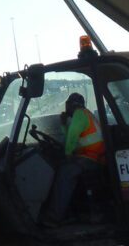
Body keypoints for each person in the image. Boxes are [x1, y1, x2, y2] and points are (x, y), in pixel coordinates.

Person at [43, 92, 105, 225]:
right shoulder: (85, 114)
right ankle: (70, 210)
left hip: (91, 157)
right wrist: (64, 124)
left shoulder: (79, 114)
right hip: (91, 156)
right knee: (66, 167)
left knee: (65, 173)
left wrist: (67, 155)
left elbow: (71, 138)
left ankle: (54, 217)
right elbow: (72, 136)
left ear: (70, 106)